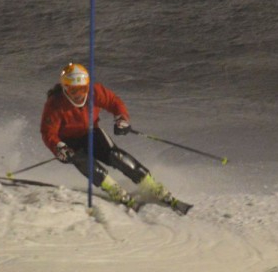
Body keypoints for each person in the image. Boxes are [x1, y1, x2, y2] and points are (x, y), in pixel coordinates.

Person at [40, 62, 190, 214]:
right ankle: (114, 189)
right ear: (65, 89)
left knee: (115, 155)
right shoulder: (55, 104)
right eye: (73, 91)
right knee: (85, 162)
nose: (79, 95)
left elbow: (114, 102)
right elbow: (48, 132)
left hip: (91, 133)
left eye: (82, 89)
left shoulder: (94, 92)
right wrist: (58, 147)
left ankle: (151, 186)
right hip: (69, 142)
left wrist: (121, 118)